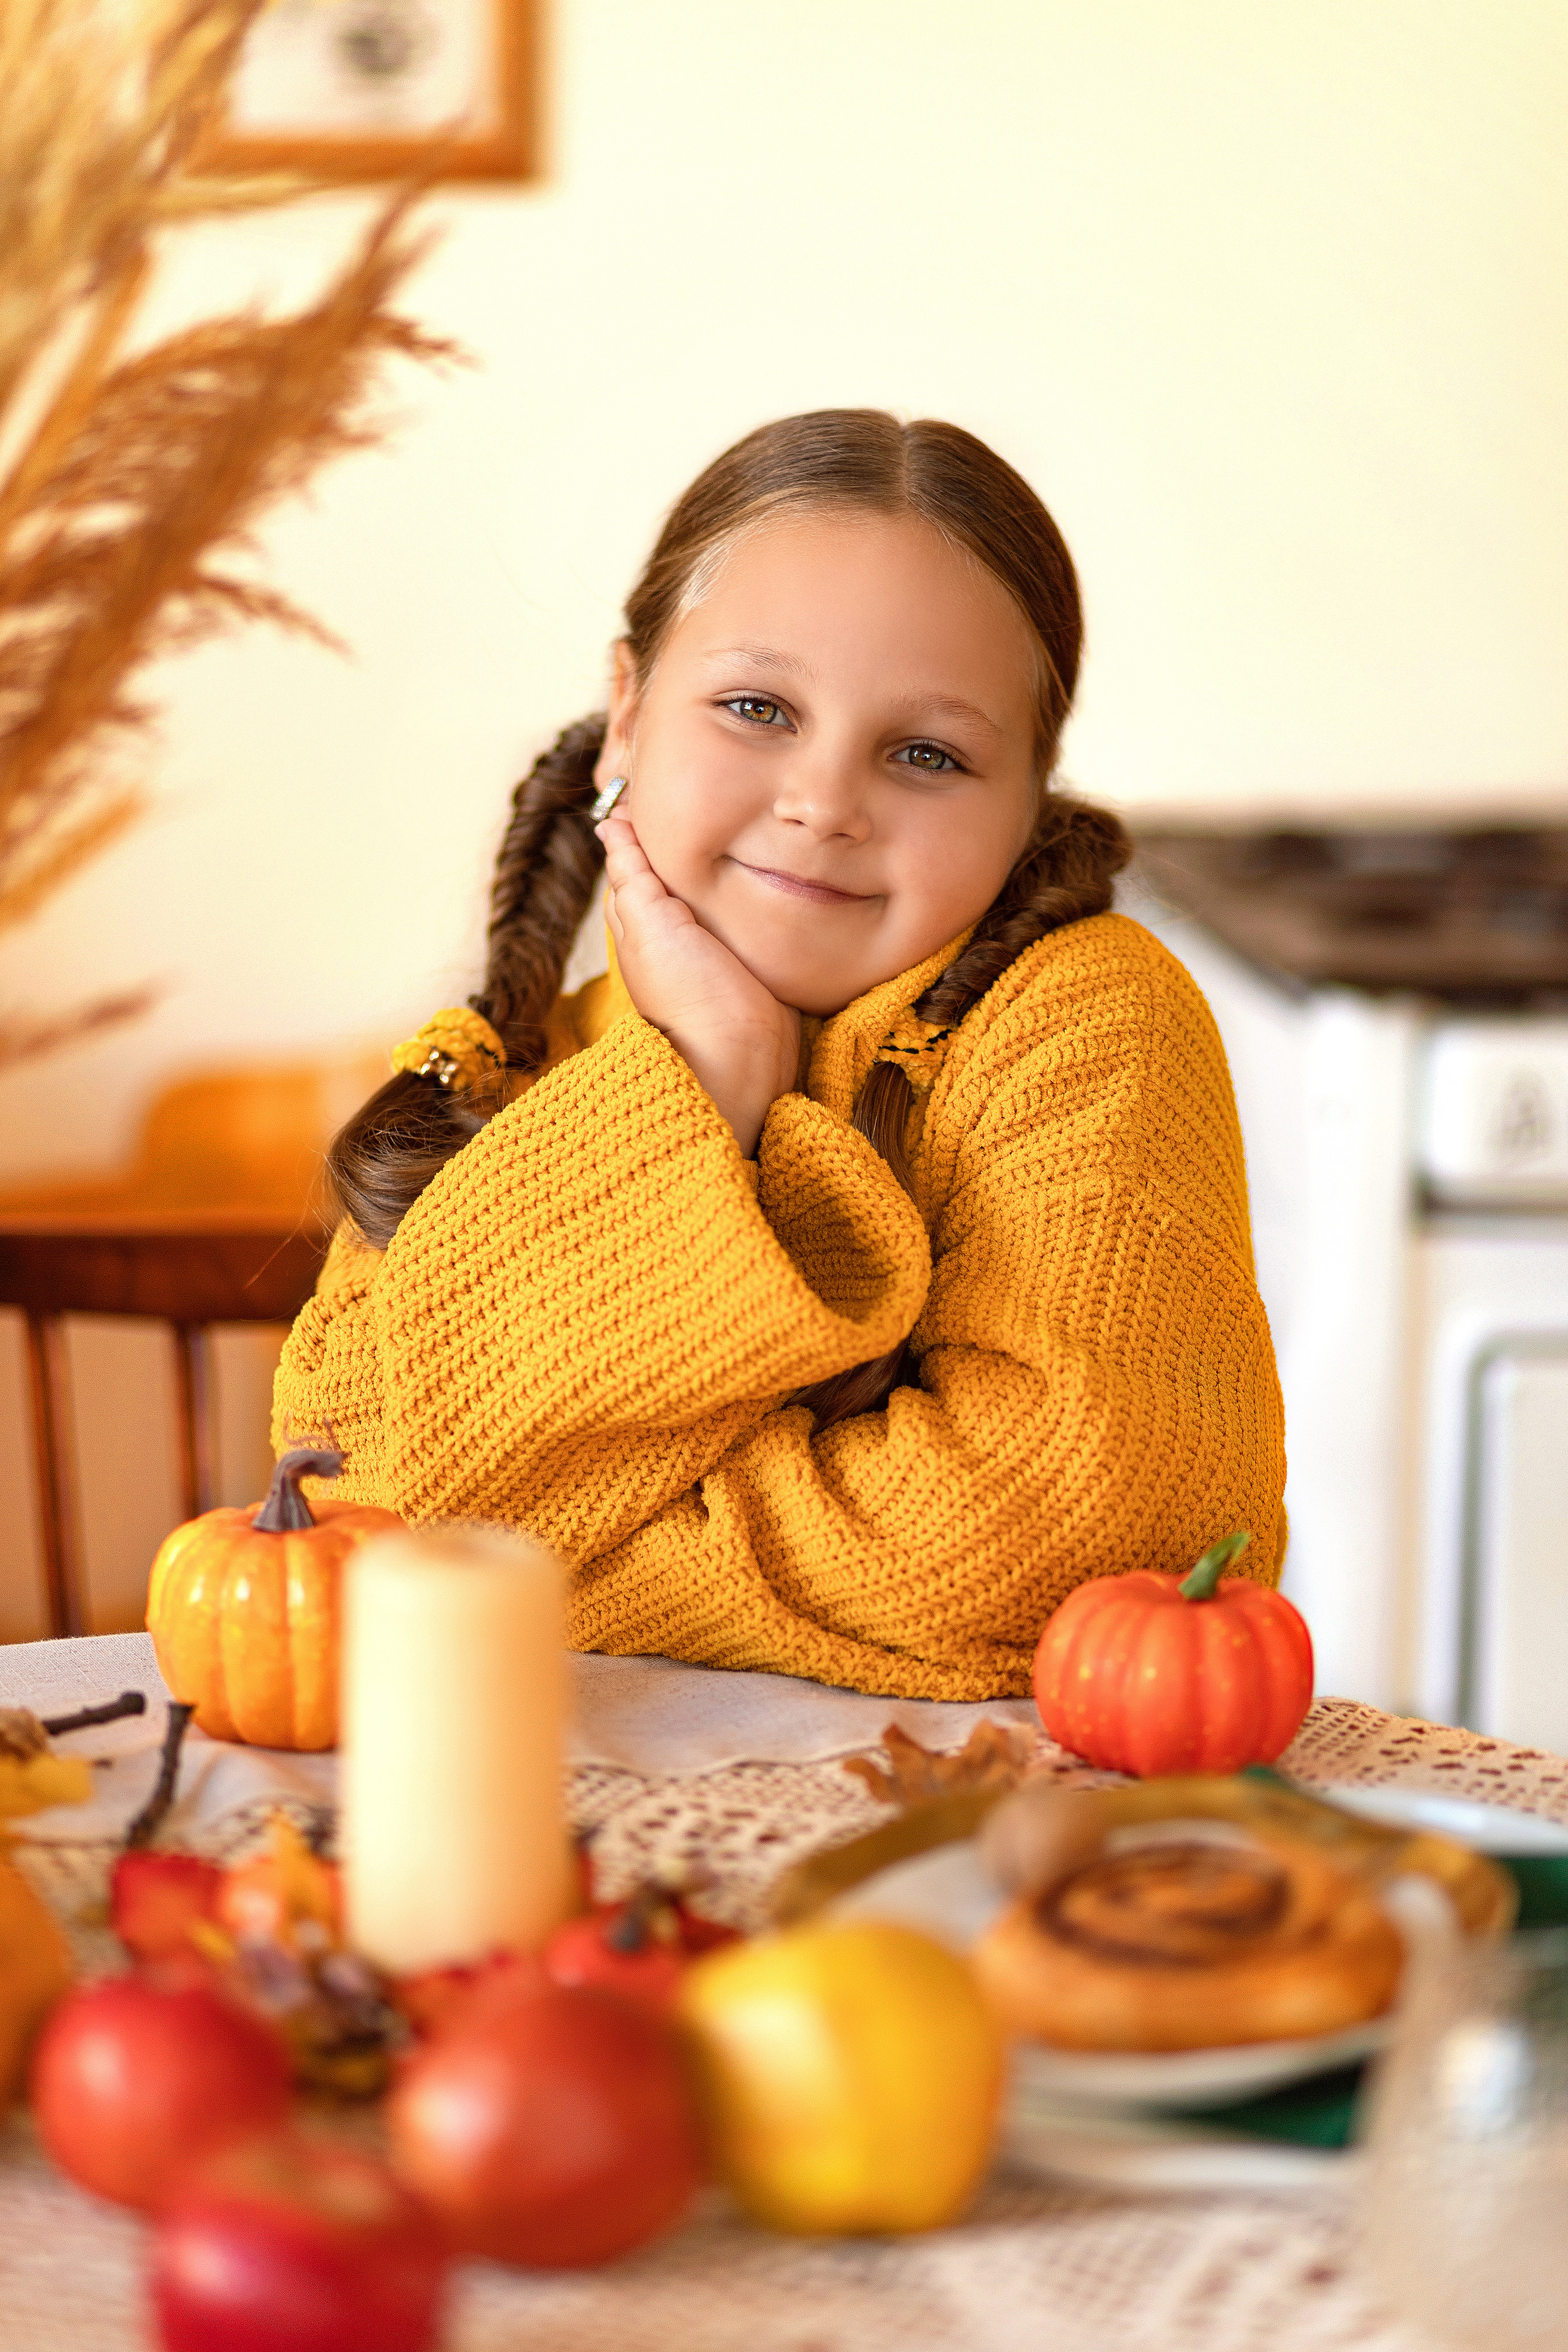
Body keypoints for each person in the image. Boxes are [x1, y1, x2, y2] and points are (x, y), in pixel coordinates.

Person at [275, 409, 1285, 1700]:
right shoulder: (514, 1067)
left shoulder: (1086, 1018)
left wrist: (565, 1557)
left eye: (925, 753)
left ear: (1028, 797)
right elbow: (354, 1496)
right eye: (756, 707)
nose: (822, 803)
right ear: (627, 713)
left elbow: (1080, 1521)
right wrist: (702, 1070)